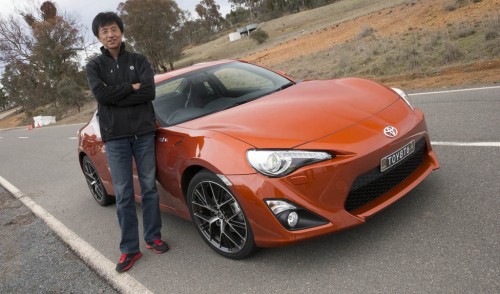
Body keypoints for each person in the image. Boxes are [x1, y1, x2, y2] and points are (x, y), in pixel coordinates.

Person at [86, 12, 169, 273]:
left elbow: (149, 91)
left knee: (149, 189)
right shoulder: (94, 66)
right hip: (116, 139)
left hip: (143, 134)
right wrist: (131, 88)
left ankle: (153, 237)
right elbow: (101, 95)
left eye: (114, 29)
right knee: (123, 194)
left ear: (121, 31)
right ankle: (130, 250)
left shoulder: (138, 60)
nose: (110, 34)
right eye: (104, 31)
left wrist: (118, 94)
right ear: (98, 37)